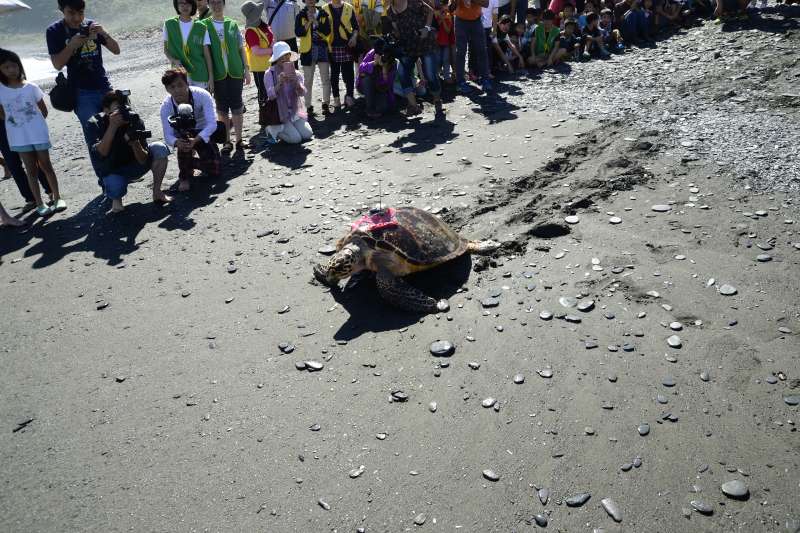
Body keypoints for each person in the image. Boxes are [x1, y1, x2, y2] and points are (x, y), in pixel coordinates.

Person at [0, 49, 64, 217]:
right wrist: (17, 124)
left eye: (13, 66)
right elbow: (2, 114)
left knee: (46, 166)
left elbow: (43, 111)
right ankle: (37, 201)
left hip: (37, 134)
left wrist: (32, 124)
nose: (11, 70)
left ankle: (56, 196)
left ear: (19, 66)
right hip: (18, 137)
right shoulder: (1, 89)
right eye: (6, 67)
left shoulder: (31, 87)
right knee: (30, 170)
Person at [46, 0, 120, 145]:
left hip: (104, 87)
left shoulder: (91, 26)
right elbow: (58, 65)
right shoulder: (54, 31)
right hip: (81, 93)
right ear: (61, 10)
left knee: (118, 129)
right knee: (95, 136)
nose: (77, 18)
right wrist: (72, 45)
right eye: (71, 13)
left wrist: (103, 33)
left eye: (80, 13)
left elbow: (116, 50)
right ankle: (102, 168)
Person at [86, 91, 171, 213]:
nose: (122, 113)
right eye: (117, 109)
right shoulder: (95, 123)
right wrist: (113, 126)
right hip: (112, 169)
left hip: (136, 165)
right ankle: (116, 200)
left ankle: (157, 192)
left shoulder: (134, 119)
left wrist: (135, 143)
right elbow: (101, 153)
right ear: (105, 110)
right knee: (115, 188)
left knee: (159, 148)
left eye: (125, 107)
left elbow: (143, 160)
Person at [160, 68, 221, 192]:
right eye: (172, 87)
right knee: (184, 142)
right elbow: (168, 136)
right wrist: (177, 143)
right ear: (167, 89)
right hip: (182, 136)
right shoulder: (166, 106)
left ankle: (189, 164)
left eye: (180, 85)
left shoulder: (202, 95)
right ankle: (184, 176)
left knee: (215, 169)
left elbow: (212, 124)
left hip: (203, 131)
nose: (177, 90)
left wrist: (197, 139)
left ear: (187, 82)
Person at [203, 0, 251, 152]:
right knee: (222, 108)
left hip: (235, 70)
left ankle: (239, 140)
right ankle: (226, 141)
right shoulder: (204, 25)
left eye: (219, 2)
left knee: (237, 105)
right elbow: (205, 53)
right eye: (213, 3)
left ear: (224, 4)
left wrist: (246, 69)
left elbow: (240, 47)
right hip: (218, 73)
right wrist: (209, 76)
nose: (216, 5)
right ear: (209, 5)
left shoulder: (232, 24)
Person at [385, 0, 442, 116]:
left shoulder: (412, 2)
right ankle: (414, 106)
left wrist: (427, 28)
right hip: (408, 47)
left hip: (425, 43)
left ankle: (437, 100)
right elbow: (397, 32)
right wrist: (392, 38)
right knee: (402, 73)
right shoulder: (390, 11)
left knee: (431, 75)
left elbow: (430, 11)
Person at [263, 42, 313, 144]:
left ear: (290, 56)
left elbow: (302, 93)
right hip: (279, 114)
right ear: (276, 58)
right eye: (282, 55)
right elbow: (270, 96)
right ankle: (272, 131)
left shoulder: (296, 73)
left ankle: (291, 128)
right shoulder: (269, 74)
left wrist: (296, 82)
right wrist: (279, 83)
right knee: (296, 139)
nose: (285, 58)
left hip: (295, 111)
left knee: (308, 134)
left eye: (287, 55)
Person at [0, 117, 51, 213]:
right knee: (13, 164)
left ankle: (50, 190)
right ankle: (31, 199)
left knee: (32, 158)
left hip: (14, 121)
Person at [163, 0, 215, 91]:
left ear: (193, 5)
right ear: (176, 5)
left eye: (188, 3)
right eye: (181, 3)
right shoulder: (169, 24)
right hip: (179, 74)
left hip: (200, 73)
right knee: (183, 104)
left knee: (201, 103)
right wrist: (174, 60)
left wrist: (211, 77)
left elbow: (207, 54)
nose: (184, 6)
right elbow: (166, 50)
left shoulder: (201, 27)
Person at [318, 0, 359, 110]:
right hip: (331, 46)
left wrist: (354, 37)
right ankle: (336, 99)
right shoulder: (324, 8)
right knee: (334, 74)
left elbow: (356, 27)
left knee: (348, 73)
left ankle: (349, 96)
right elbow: (319, 28)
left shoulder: (349, 7)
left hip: (347, 45)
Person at [242, 1, 275, 128]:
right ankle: (265, 117)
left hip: (269, 64)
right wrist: (272, 50)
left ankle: (272, 114)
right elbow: (256, 51)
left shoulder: (262, 26)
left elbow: (271, 39)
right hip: (260, 67)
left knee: (270, 90)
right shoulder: (250, 31)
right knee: (263, 92)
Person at [296, 0, 332, 115]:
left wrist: (315, 21)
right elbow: (298, 32)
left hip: (322, 48)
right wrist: (308, 22)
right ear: (305, 1)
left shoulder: (323, 13)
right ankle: (308, 106)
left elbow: (327, 31)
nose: (310, 1)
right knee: (308, 80)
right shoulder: (300, 15)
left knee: (325, 78)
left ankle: (326, 104)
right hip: (307, 51)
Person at [450, 0, 492, 94]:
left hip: (476, 21)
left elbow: (486, 4)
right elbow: (451, 8)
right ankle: (460, 82)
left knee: (482, 50)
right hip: (460, 21)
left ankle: (485, 79)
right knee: (460, 52)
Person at [357, 37, 397, 118]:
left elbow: (389, 85)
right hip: (366, 86)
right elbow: (361, 68)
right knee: (366, 78)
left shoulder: (392, 61)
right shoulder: (372, 53)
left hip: (380, 89)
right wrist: (373, 63)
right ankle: (369, 109)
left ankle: (372, 101)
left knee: (383, 108)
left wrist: (384, 70)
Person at [434, 3, 456, 84]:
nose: (443, 9)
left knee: (446, 60)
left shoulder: (448, 16)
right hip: (437, 42)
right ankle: (436, 76)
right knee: (438, 60)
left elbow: (448, 31)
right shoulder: (436, 14)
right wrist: (440, 18)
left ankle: (447, 76)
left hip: (446, 42)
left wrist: (443, 19)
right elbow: (436, 26)